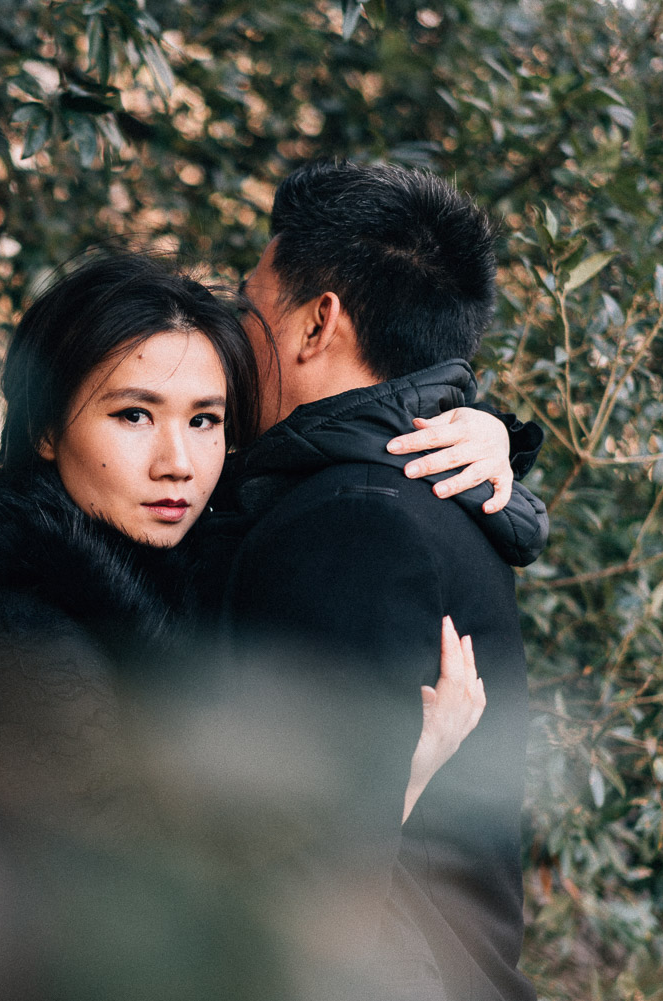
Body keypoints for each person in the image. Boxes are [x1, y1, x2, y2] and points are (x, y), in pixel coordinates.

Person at [0, 250, 539, 1001]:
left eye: (207, 419)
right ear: (48, 429)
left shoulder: (179, 568)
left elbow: (330, 436)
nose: (177, 461)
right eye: (132, 415)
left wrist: (479, 430)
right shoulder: (30, 649)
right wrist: (404, 775)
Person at [218, 160, 544, 1001]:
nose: (234, 329)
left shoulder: (355, 519)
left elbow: (312, 858)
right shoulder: (415, 487)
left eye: (250, 303)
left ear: (316, 322)